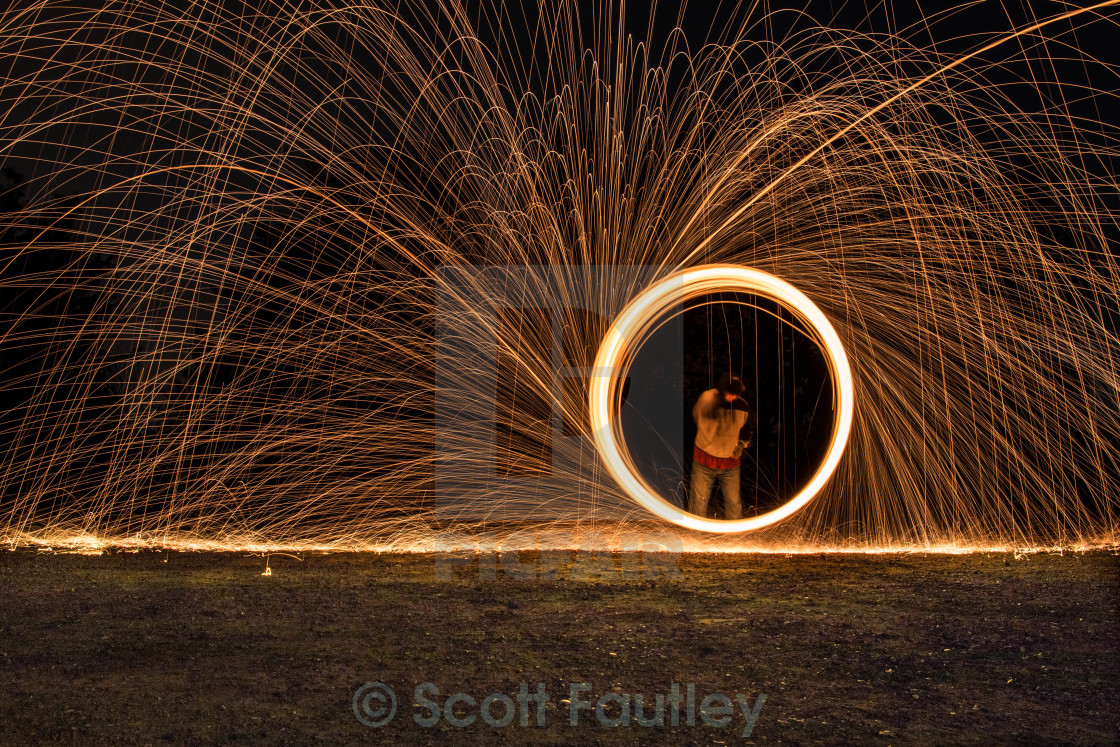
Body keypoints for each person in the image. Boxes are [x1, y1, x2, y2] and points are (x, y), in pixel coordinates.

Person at [688, 372, 754, 520]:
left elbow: (748, 429)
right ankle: (695, 537)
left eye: (735, 395)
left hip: (730, 463)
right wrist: (716, 407)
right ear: (722, 390)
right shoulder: (708, 399)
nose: (732, 398)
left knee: (734, 503)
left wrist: (741, 445)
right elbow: (698, 414)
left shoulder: (742, 406)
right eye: (729, 394)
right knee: (698, 502)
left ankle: (734, 538)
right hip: (704, 460)